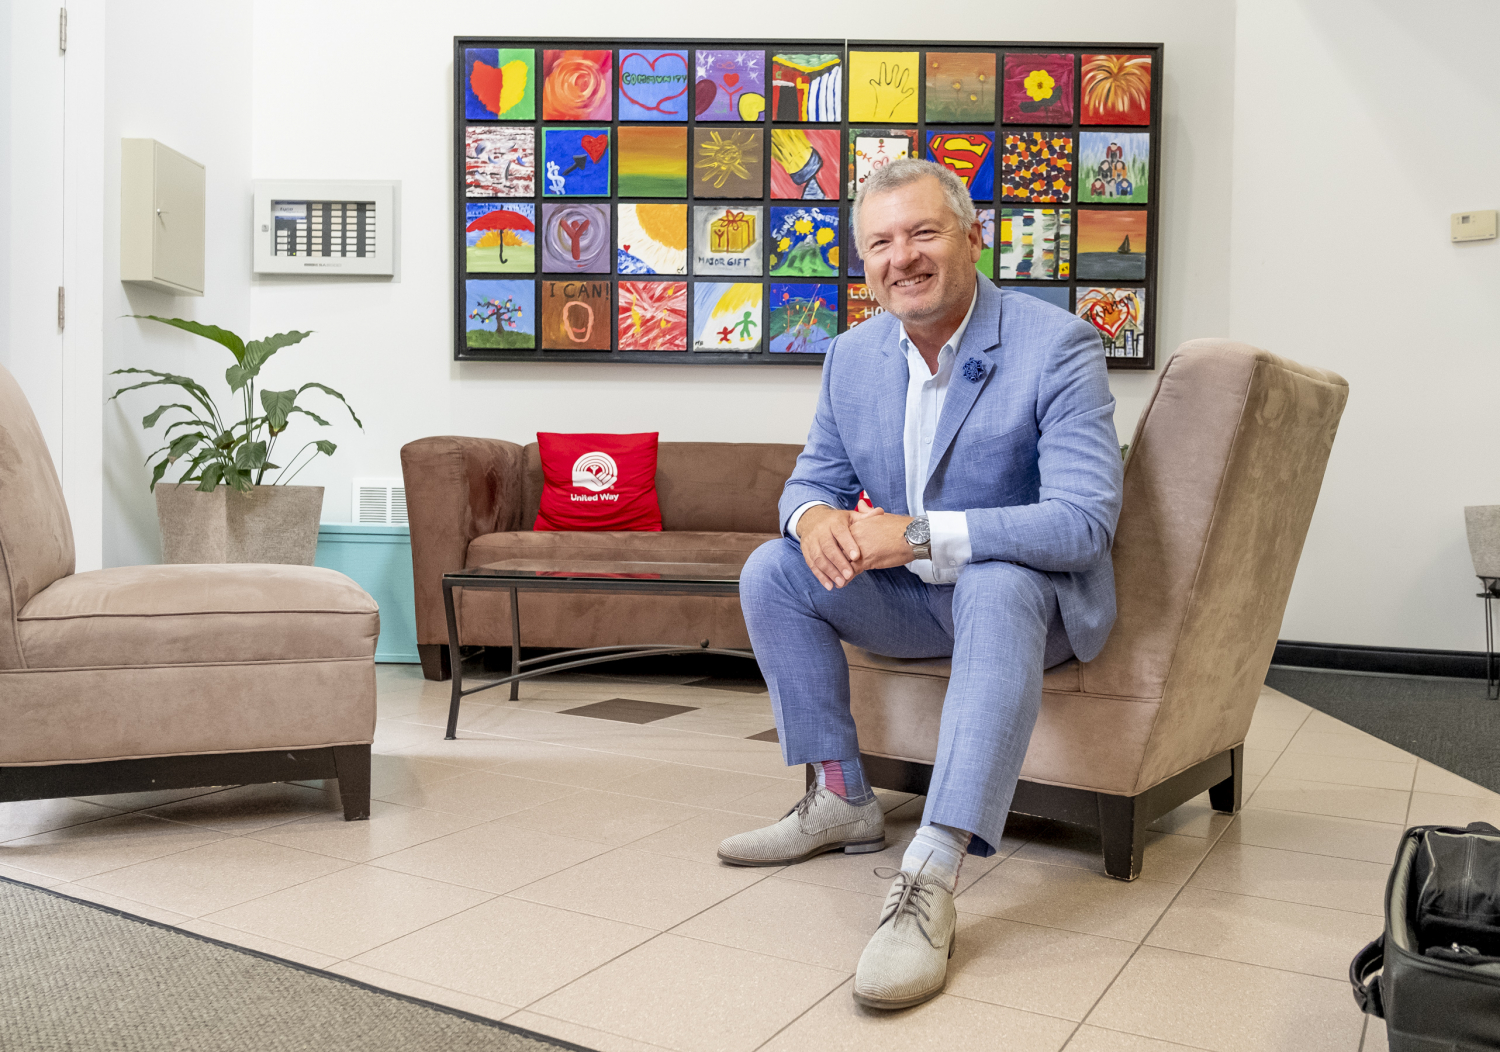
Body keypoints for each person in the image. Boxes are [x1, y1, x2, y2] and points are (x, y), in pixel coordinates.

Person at [719, 158, 1123, 1009]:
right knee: (774, 568)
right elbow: (807, 481)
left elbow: (1084, 522)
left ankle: (930, 874)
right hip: (914, 601)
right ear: (864, 264)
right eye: (880, 242)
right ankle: (840, 799)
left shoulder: (1059, 345)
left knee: (996, 584)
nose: (902, 257)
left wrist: (912, 533)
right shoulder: (852, 356)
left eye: (923, 232)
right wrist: (813, 519)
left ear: (973, 239)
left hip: (1029, 604)